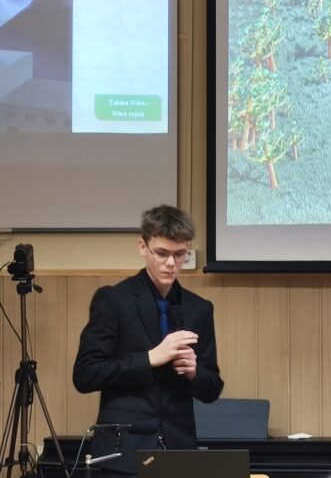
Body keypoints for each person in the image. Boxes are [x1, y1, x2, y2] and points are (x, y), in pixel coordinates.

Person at [72, 204, 224, 478]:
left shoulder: (199, 308)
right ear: (143, 247)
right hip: (123, 453)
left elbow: (212, 388)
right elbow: (85, 375)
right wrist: (150, 358)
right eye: (162, 253)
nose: (171, 263)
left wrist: (194, 372)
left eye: (179, 254)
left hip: (179, 450)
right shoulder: (113, 300)